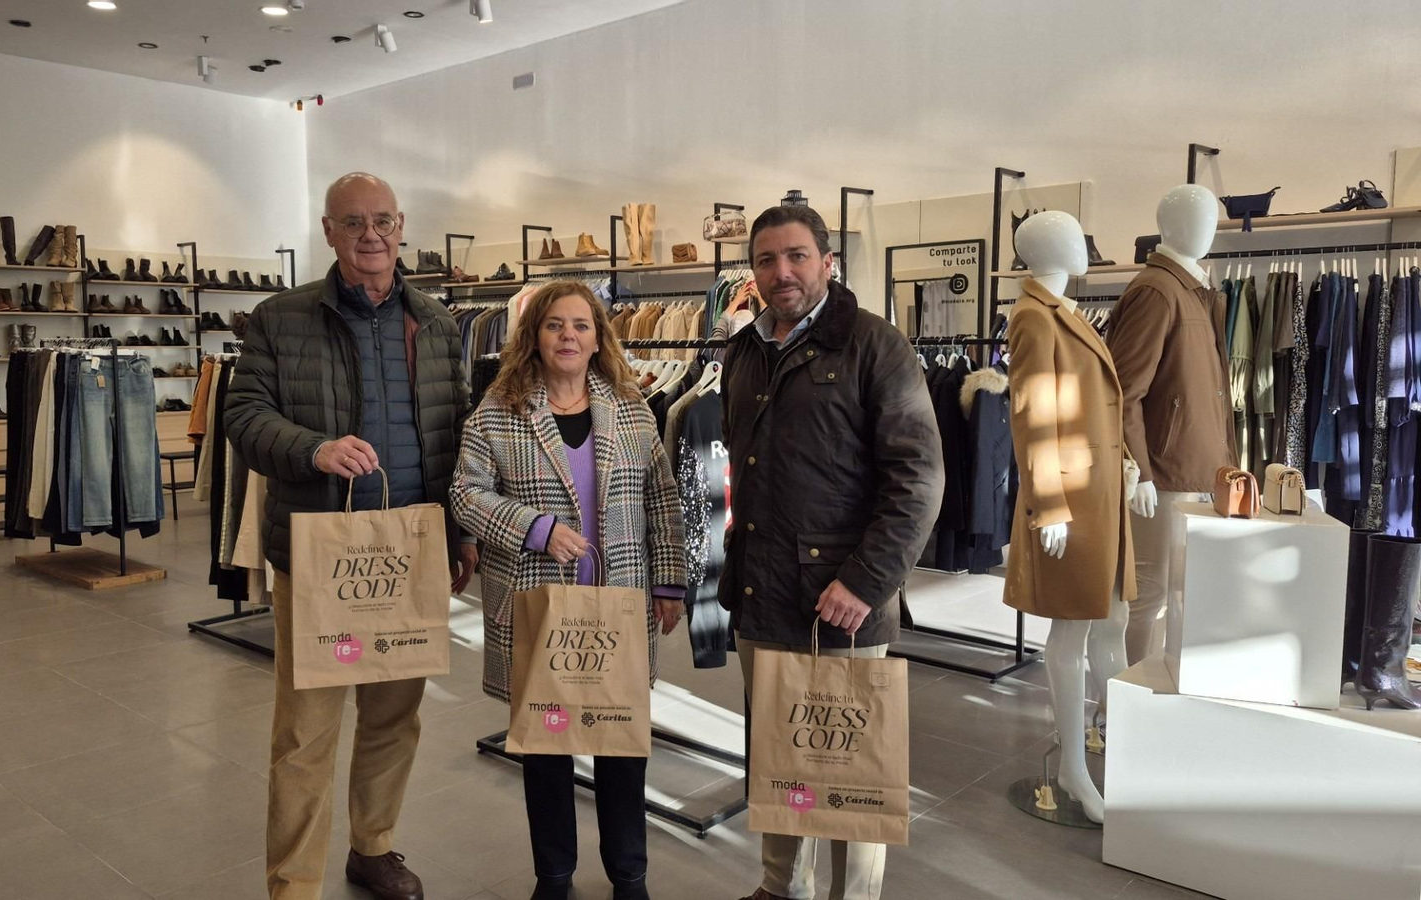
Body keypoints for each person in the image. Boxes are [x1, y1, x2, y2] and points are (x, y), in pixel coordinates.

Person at [225, 172, 476, 900]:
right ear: (328, 232)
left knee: (395, 718)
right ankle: (294, 883)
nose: (372, 236)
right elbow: (243, 416)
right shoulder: (280, 318)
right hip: (317, 552)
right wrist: (313, 448)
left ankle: (374, 846)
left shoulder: (434, 320)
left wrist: (458, 532)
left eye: (384, 222)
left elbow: (455, 434)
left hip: (410, 547)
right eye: (354, 223)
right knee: (306, 733)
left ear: (403, 228)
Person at [720, 205, 943, 900]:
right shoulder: (743, 349)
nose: (780, 272)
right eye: (765, 260)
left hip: (839, 605)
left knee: (851, 774)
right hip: (763, 594)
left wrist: (866, 582)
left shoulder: (876, 346)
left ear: (826, 262)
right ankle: (780, 884)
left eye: (794, 256)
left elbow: (919, 478)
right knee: (778, 756)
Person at [451, 280, 687, 900]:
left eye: (581, 326)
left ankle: (628, 874)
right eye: (555, 325)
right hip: (537, 609)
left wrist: (669, 581)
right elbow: (466, 496)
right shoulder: (498, 411)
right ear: (534, 336)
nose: (568, 337)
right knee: (546, 748)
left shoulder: (631, 409)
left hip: (620, 602)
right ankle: (553, 875)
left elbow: (661, 498)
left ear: (598, 336)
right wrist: (536, 528)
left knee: (621, 745)